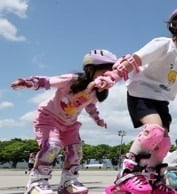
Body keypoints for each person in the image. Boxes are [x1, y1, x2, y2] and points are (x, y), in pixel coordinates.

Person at [96, 4, 177, 194]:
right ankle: (127, 174)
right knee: (154, 131)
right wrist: (112, 77)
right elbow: (134, 60)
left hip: (161, 100)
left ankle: (154, 177)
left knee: (164, 141)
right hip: (141, 93)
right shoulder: (163, 45)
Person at [11, 49, 117, 194]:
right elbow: (47, 81)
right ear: (90, 70)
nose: (107, 78)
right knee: (52, 146)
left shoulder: (95, 92)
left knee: (76, 150)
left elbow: (90, 106)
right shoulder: (72, 80)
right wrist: (27, 82)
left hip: (69, 124)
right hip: (49, 117)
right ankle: (36, 182)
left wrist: (98, 119)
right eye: (104, 73)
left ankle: (68, 182)